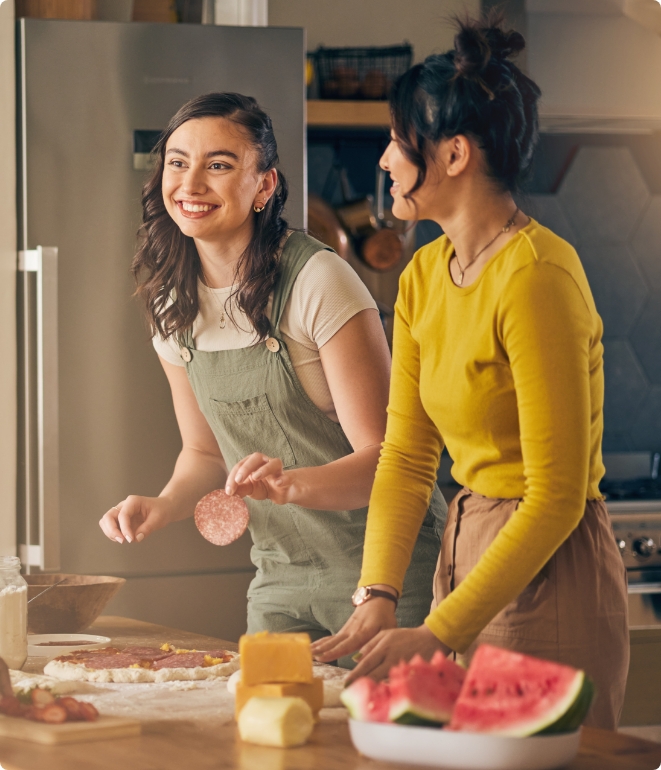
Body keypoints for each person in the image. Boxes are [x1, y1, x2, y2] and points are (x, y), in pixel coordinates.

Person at [312, 15, 629, 726]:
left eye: (400, 141)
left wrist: (436, 632)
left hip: (548, 568)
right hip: (465, 556)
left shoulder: (538, 277)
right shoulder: (424, 273)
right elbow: (406, 453)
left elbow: (553, 497)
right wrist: (379, 594)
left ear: (453, 155)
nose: (387, 159)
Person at [98, 93, 446, 659]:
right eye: (178, 162)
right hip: (280, 578)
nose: (190, 183)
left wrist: (291, 485)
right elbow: (203, 453)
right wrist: (164, 505)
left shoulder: (317, 281)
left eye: (219, 165)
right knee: (273, 739)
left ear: (264, 186)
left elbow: (388, 459)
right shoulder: (172, 304)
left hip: (389, 575)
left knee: (391, 742)